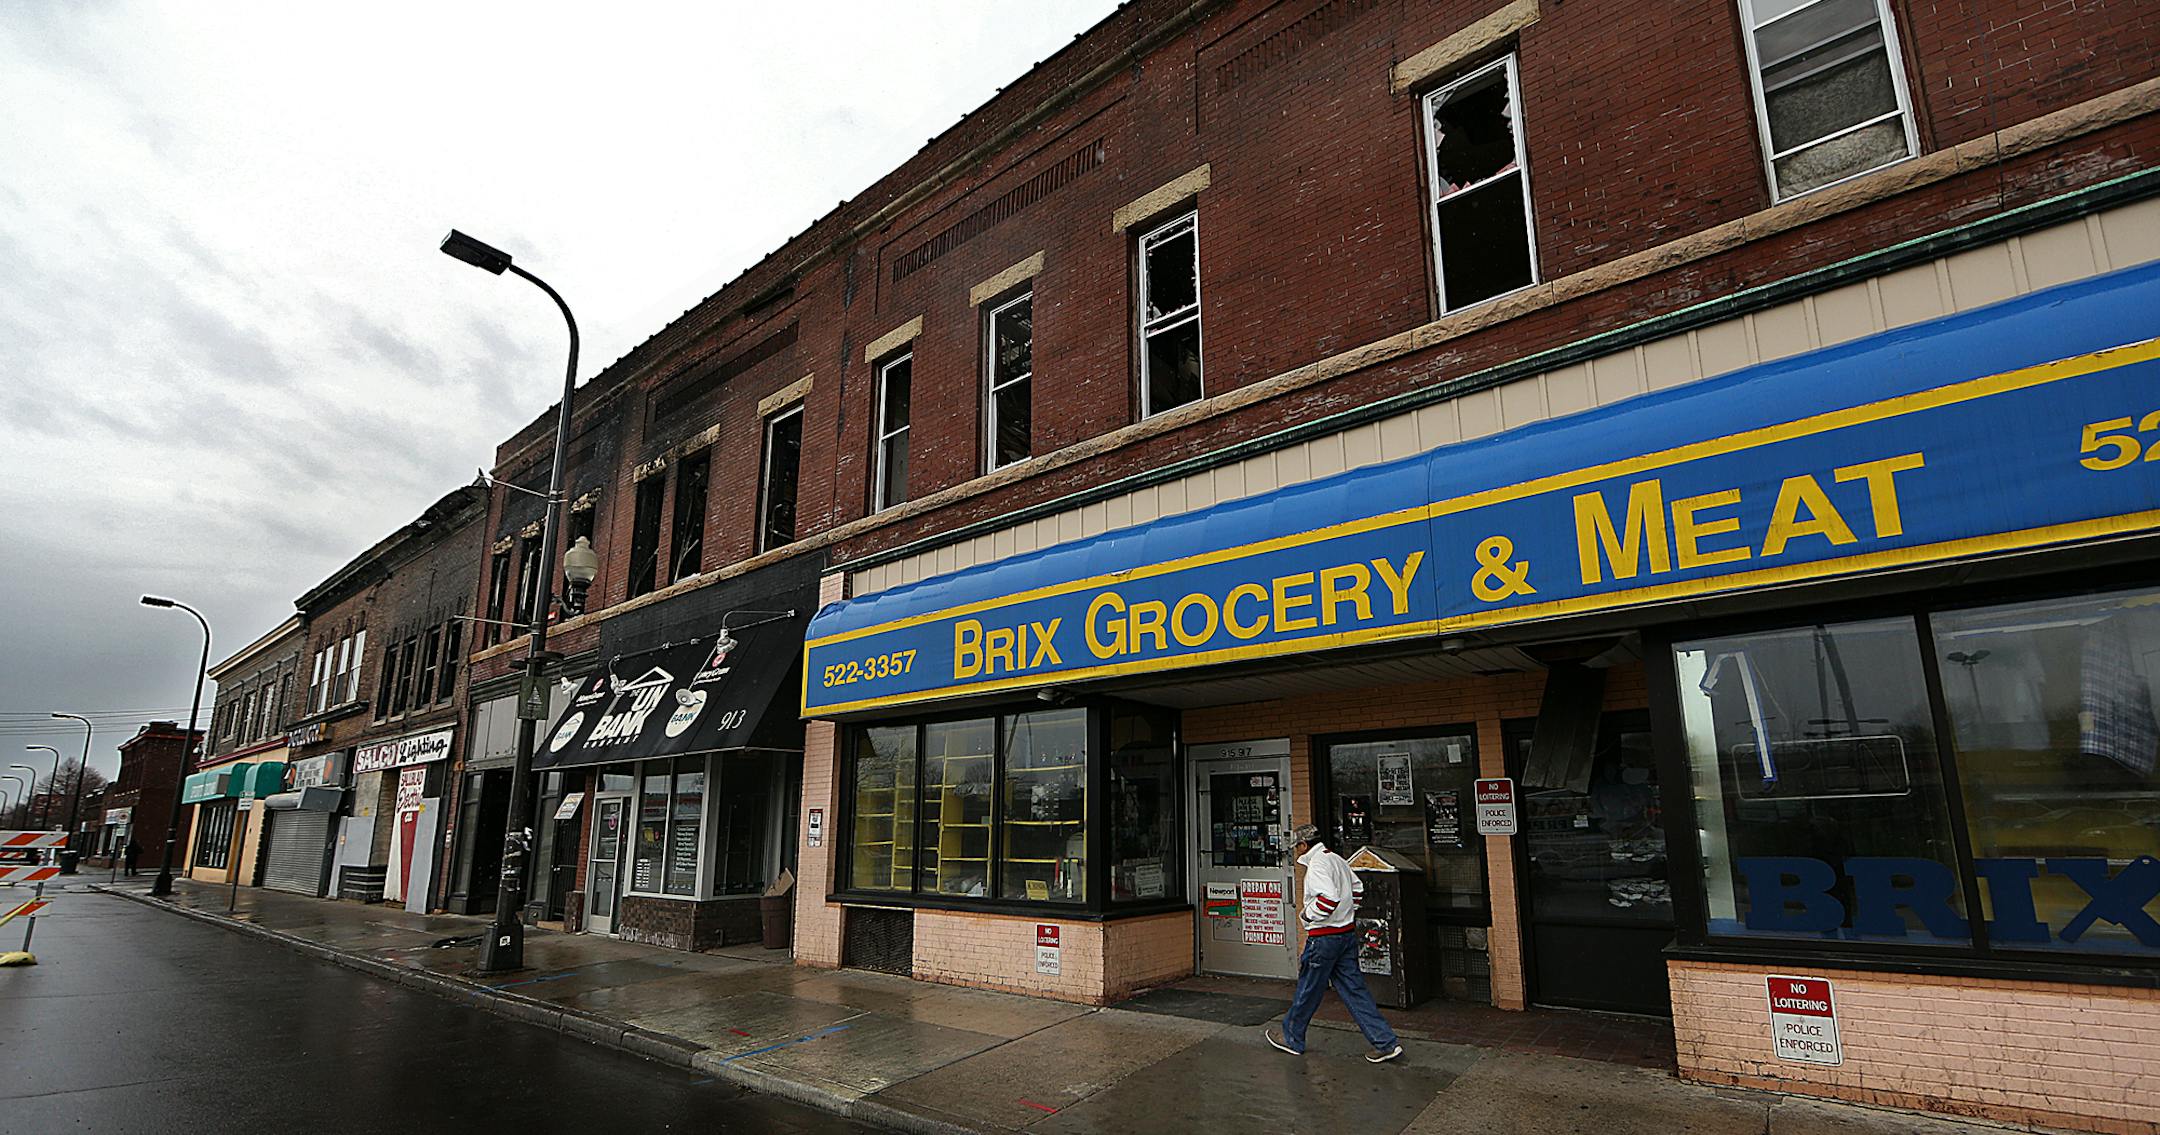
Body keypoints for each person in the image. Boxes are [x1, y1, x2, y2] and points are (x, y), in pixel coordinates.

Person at [1266, 823, 1403, 1063]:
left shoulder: (1318, 865)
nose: (1296, 852)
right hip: (1345, 935)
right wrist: (1347, 911)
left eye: (1297, 847)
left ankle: (1292, 1037)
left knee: (1309, 989)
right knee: (1355, 990)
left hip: (1324, 938)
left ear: (1303, 845)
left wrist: (1308, 915)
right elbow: (1357, 888)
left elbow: (1328, 898)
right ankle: (1385, 1042)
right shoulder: (1337, 860)